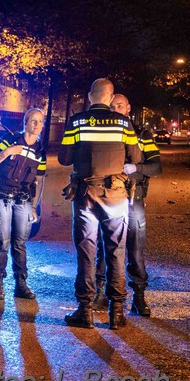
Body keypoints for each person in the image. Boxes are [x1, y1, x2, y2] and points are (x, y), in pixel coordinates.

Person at [59, 79, 142, 330]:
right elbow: (136, 158)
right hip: (116, 194)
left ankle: (85, 311)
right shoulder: (124, 123)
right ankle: (116, 313)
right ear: (110, 97)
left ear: (89, 96)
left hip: (86, 194)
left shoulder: (77, 122)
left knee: (87, 251)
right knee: (116, 250)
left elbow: (64, 158)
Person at [92, 94, 161, 316]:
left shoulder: (142, 134)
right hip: (110, 196)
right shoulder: (105, 131)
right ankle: (101, 294)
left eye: (119, 106)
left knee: (136, 249)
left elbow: (156, 166)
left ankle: (139, 297)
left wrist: (136, 168)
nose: (116, 109)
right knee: (105, 247)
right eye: (112, 106)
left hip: (134, 199)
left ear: (128, 108)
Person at [0, 108, 47, 301]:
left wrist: (35, 206)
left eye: (40, 122)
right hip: (2, 196)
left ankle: (21, 284)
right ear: (25, 122)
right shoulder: (10, 139)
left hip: (24, 200)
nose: (36, 125)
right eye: (33, 121)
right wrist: (8, 151)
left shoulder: (40, 151)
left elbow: (40, 179)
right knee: (2, 241)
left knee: (20, 243)